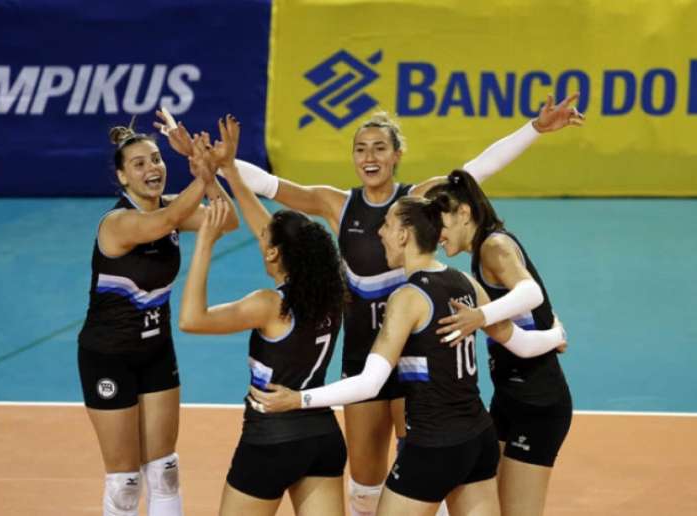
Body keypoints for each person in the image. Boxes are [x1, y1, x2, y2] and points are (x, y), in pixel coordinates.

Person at [191, 94, 583, 515]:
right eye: (360, 148)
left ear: (396, 155)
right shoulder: (337, 204)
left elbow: (475, 171)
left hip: (414, 362)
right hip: (366, 359)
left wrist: (533, 130)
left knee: (424, 463)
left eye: (380, 147)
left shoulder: (415, 204)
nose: (369, 156)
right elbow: (271, 188)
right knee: (365, 481)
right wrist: (222, 165)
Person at [248, 195, 566, 516]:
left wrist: (298, 400)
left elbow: (370, 384)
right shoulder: (466, 283)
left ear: (404, 235)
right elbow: (521, 343)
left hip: (433, 444)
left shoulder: (407, 298)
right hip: (478, 440)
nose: (380, 233)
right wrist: (556, 335)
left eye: (386, 224)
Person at [178, 116, 348, 516]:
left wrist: (204, 242)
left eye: (266, 242)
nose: (260, 239)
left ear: (274, 253)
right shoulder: (332, 290)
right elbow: (265, 229)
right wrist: (223, 172)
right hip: (321, 437)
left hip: (270, 439)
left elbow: (191, 319)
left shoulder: (269, 305)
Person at [77, 115, 238, 516]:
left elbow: (227, 221)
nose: (153, 169)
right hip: (108, 357)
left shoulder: (173, 209)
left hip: (156, 352)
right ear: (123, 178)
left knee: (165, 469)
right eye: (140, 164)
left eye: (156, 159)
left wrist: (206, 171)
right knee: (125, 482)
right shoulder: (118, 223)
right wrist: (203, 171)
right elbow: (162, 223)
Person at [429, 170, 572, 516]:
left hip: (538, 403)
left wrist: (481, 316)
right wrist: (553, 334)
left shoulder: (494, 246)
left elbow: (530, 291)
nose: (436, 236)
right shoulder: (482, 254)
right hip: (509, 397)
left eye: (440, 224)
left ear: (464, 213)